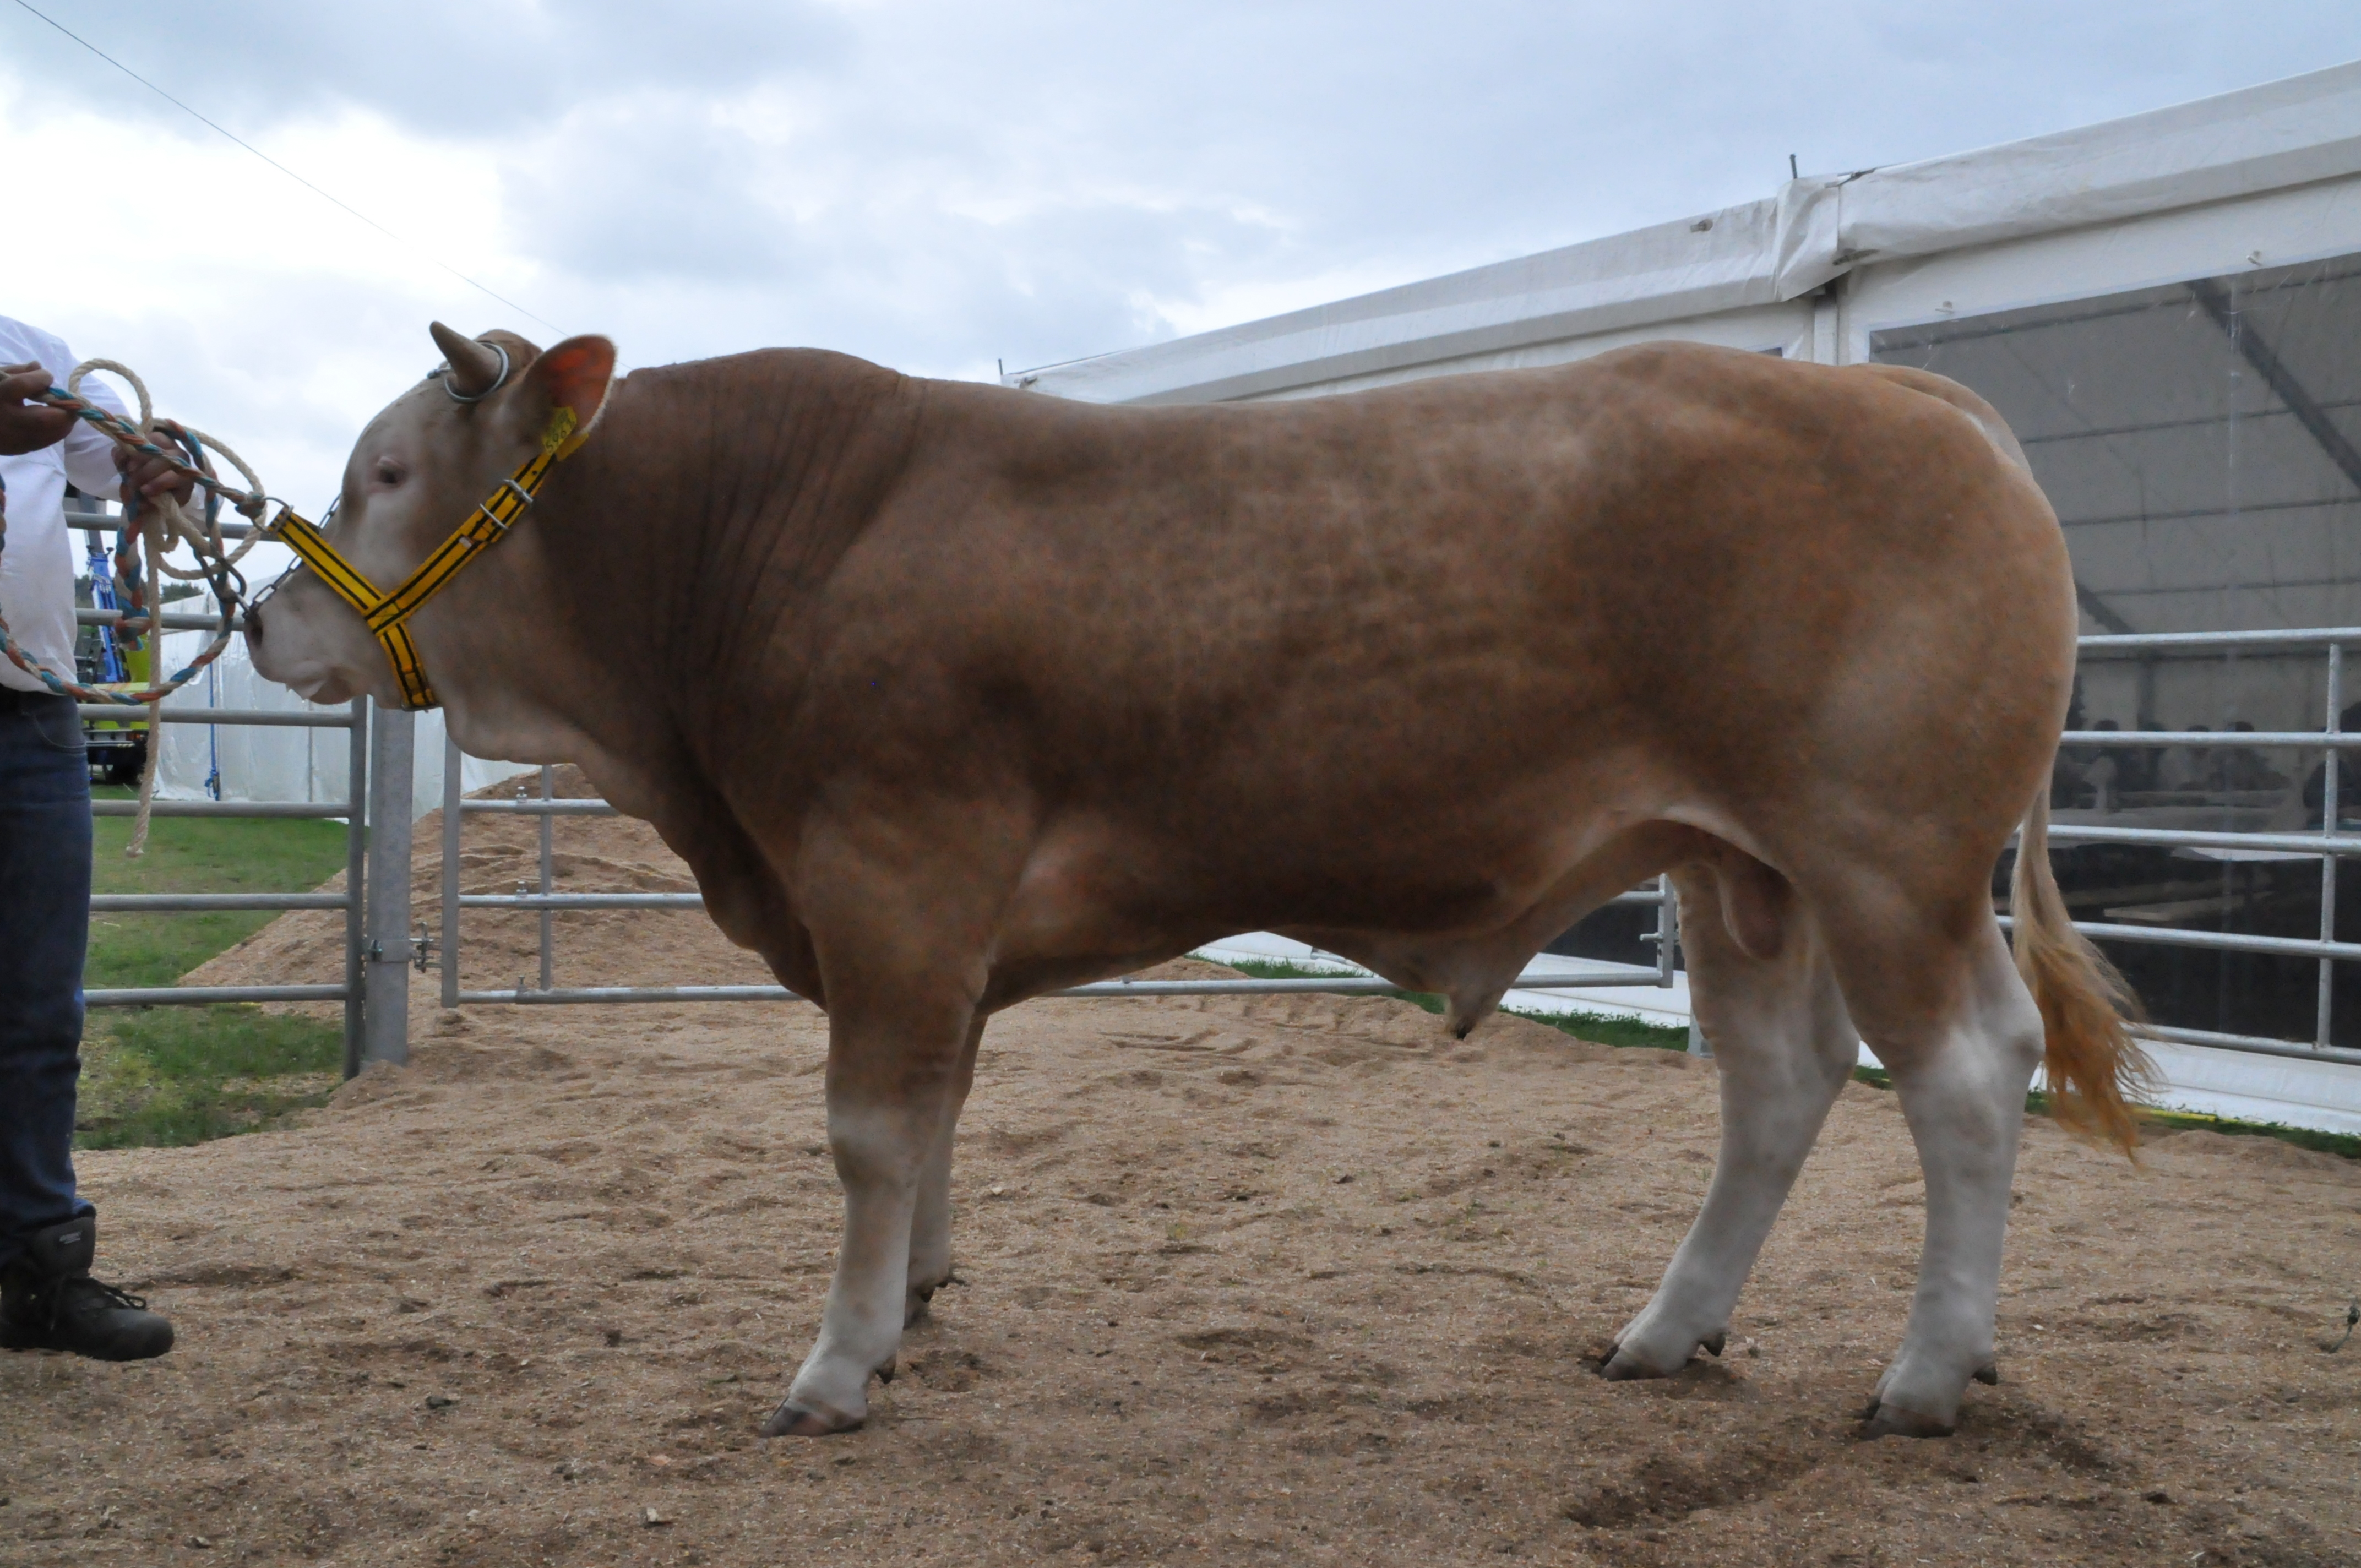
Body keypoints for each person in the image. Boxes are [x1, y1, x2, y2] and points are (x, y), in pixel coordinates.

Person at [1, 317, 191, 1360]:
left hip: (30, 709)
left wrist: (154, 464)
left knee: (38, 1011)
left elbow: (110, 449)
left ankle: (38, 1275)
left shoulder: (29, 344)